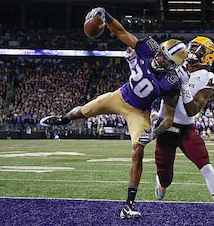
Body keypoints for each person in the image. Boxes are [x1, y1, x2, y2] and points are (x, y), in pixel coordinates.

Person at [40, 7, 187, 219]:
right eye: (162, 54)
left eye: (167, 60)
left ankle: (128, 205)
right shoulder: (148, 47)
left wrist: (154, 134)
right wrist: (104, 15)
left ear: (174, 66)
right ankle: (62, 120)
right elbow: (120, 32)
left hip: (139, 112)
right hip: (120, 96)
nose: (161, 59)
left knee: (138, 149)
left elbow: (169, 119)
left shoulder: (171, 82)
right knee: (83, 111)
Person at [149, 36, 214, 226]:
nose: (192, 51)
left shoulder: (208, 77)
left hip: (185, 129)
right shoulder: (175, 66)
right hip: (165, 129)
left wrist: (184, 86)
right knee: (165, 180)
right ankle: (161, 182)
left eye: (198, 49)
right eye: (192, 46)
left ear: (207, 56)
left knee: (206, 167)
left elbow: (192, 110)